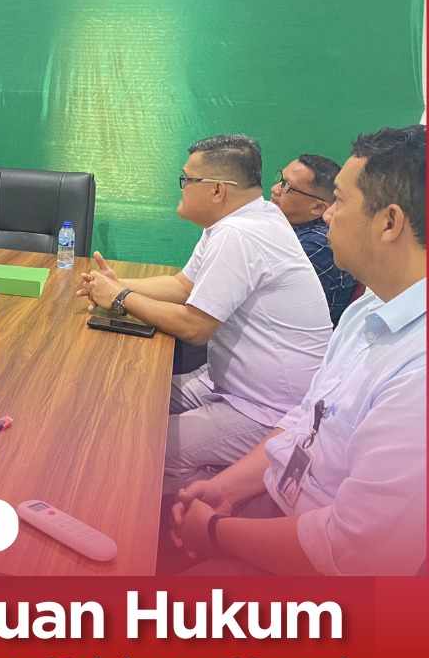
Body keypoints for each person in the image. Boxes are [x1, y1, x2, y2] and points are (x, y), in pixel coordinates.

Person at [169, 125, 426, 576]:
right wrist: (224, 490)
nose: (327, 217)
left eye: (339, 202)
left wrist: (214, 531)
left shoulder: (416, 374)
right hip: (280, 501)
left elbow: (350, 553)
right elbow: (305, 421)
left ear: (389, 222)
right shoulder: (369, 308)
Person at [77, 134, 332, 490]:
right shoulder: (248, 217)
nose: (181, 187)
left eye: (187, 179)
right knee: (125, 396)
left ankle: (208, 495)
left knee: (138, 443)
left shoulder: (239, 233)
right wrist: (117, 284)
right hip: (228, 384)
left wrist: (119, 296)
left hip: (270, 411)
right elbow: (183, 286)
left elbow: (195, 327)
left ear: (217, 190)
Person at [270, 154, 357, 325]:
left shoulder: (318, 245)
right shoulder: (290, 230)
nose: (275, 188)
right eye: (280, 179)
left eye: (287, 186)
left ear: (318, 207)